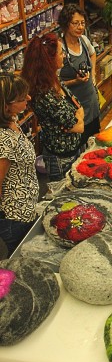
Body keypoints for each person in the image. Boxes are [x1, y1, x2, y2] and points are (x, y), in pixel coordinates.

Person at [21, 33, 84, 182]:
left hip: (74, 150)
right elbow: (79, 126)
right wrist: (77, 117)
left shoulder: (54, 81)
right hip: (61, 161)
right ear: (49, 60)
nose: (64, 56)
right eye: (61, 53)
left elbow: (79, 108)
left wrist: (77, 117)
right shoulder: (45, 95)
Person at [0, 73, 39, 257]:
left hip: (26, 209)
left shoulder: (12, 120)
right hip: (15, 218)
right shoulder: (4, 139)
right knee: (19, 261)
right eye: (23, 98)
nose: (29, 98)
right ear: (6, 106)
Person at [58, 3, 100, 147]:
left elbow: (93, 54)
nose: (80, 27)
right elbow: (56, 84)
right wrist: (74, 81)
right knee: (81, 145)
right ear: (65, 24)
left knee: (94, 141)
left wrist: (93, 74)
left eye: (82, 23)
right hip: (75, 108)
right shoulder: (60, 49)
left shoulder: (84, 40)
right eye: (75, 23)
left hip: (91, 100)